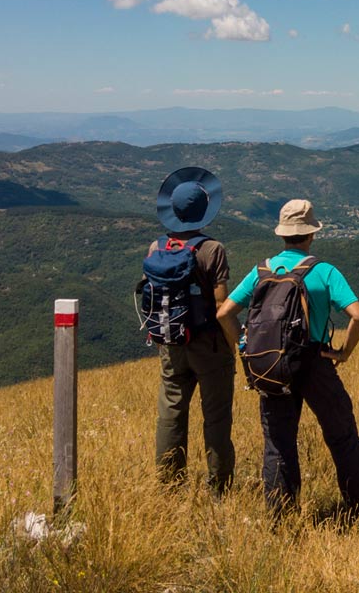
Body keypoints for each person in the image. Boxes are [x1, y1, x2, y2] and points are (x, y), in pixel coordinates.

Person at [216, 199, 359, 514]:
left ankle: (281, 518)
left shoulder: (262, 271)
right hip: (315, 362)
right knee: (342, 435)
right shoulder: (324, 271)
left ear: (283, 234)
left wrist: (245, 346)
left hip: (273, 365)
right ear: (311, 234)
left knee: (278, 446)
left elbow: (224, 313)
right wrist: (342, 353)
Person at [150, 167, 238, 495]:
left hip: (170, 342)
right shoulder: (212, 250)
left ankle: (169, 487)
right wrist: (237, 344)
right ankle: (218, 489)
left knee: (171, 413)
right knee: (216, 419)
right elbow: (221, 305)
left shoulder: (156, 247)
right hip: (209, 345)